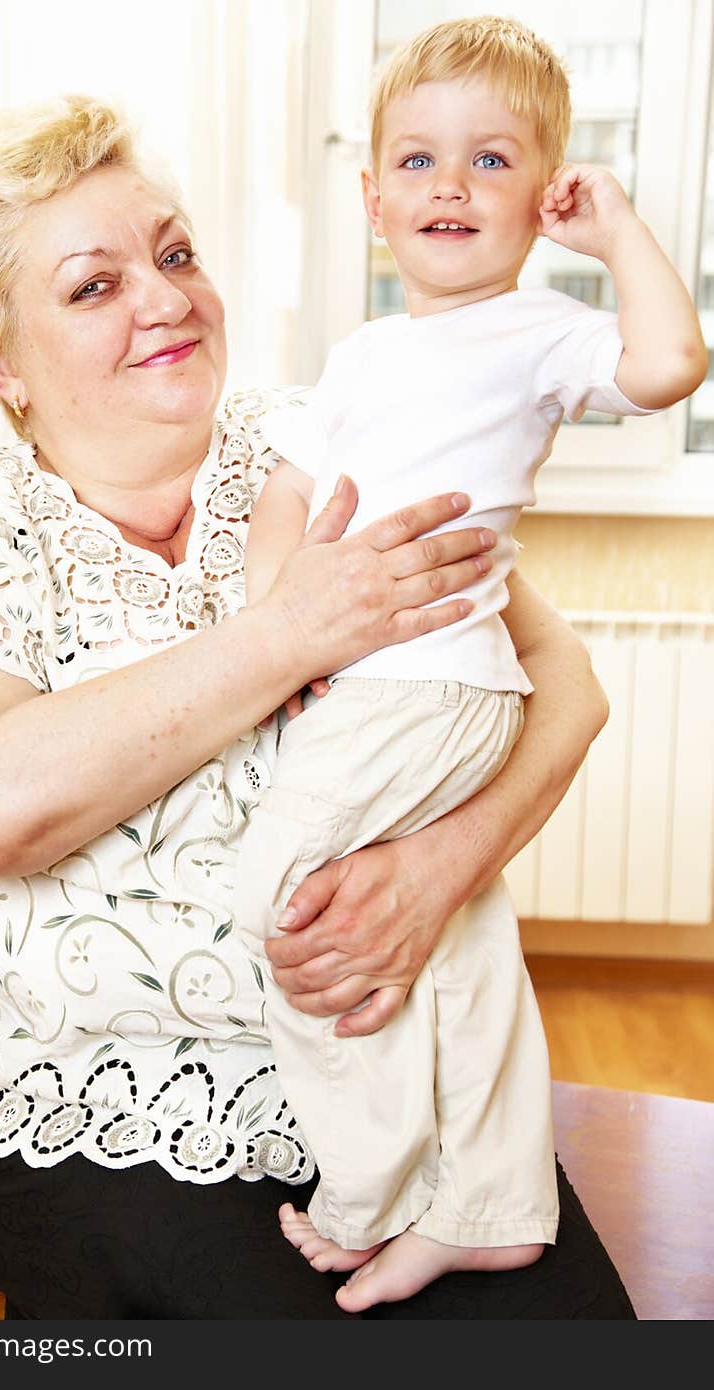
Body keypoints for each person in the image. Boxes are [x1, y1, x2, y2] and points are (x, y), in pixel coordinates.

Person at [0, 93, 637, 1320]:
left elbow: (565, 686)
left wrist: (436, 873)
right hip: (106, 1124)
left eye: (173, 254)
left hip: (404, 1100)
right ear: (1, 357)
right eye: (94, 287)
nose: (164, 299)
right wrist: (287, 635)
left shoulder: (323, 439)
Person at [233, 14, 706, 1314]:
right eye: (422, 160)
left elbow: (670, 363)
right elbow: (291, 490)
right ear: (374, 195)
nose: (453, 185)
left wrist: (613, 234)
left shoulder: (539, 329)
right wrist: (281, 637)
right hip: (379, 677)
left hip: (435, 680)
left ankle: (371, 1183)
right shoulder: (365, 354)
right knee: (455, 935)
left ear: (543, 194)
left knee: (282, 888)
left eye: (494, 162)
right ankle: (492, 1203)